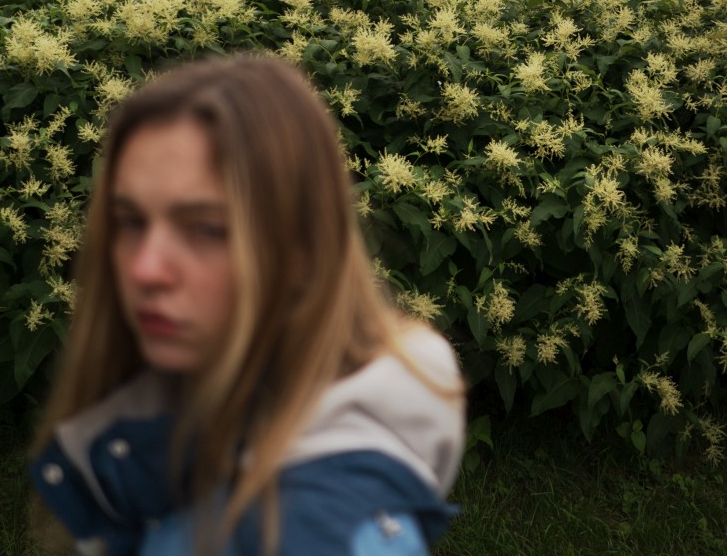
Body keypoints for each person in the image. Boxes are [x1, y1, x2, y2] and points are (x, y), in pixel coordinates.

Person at [29, 54, 465, 556]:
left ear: (304, 250)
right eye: (130, 221)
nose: (145, 269)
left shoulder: (308, 533)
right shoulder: (179, 419)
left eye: (206, 229)